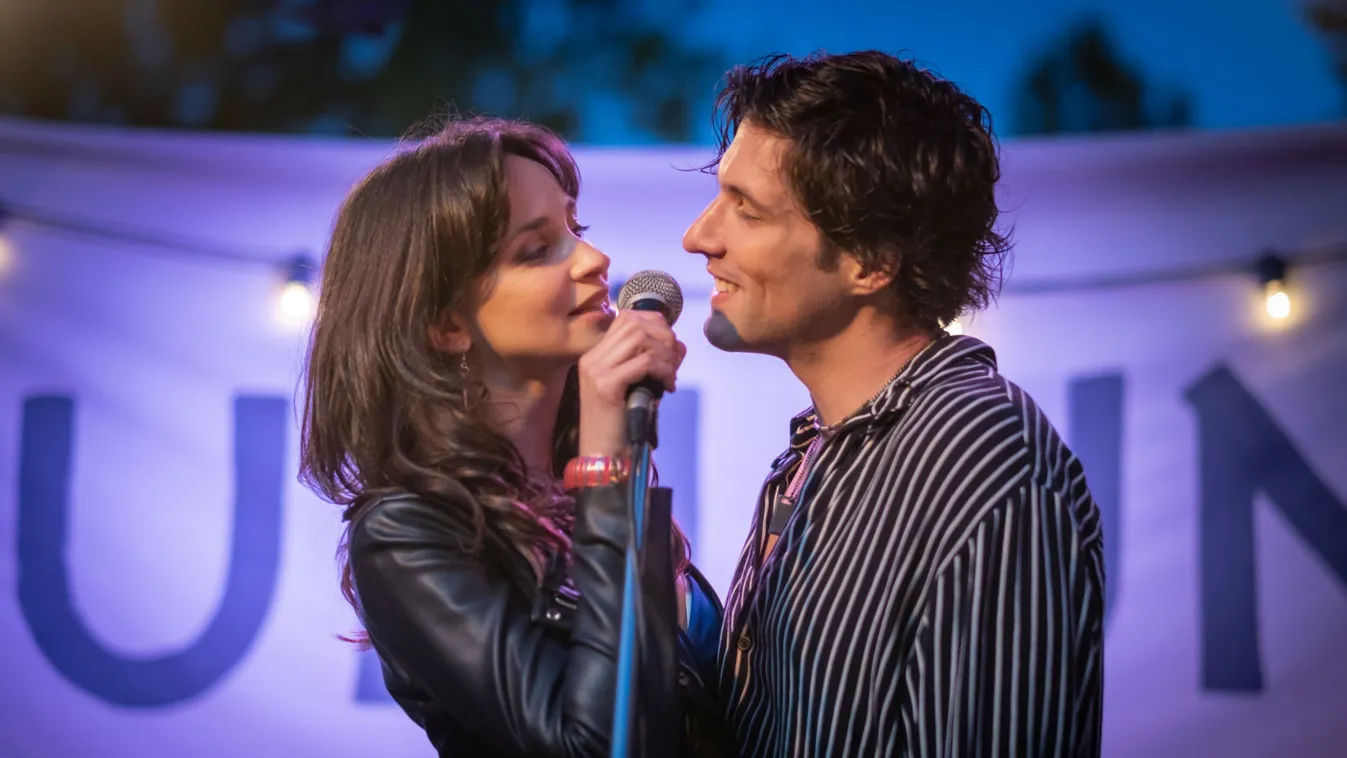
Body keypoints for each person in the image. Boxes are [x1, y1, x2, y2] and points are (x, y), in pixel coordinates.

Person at [681, 51, 1106, 757]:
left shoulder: (978, 457)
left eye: (746, 209)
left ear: (871, 259)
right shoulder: (819, 451)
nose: (699, 236)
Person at [299, 116, 731, 757]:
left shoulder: (577, 488)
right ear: (447, 324)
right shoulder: (406, 533)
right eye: (537, 249)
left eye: (577, 229)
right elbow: (594, 745)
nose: (594, 260)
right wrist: (606, 465)